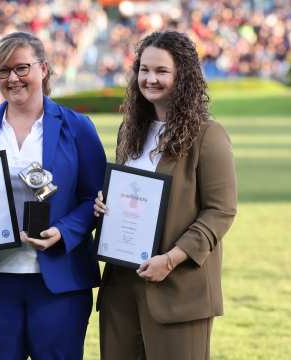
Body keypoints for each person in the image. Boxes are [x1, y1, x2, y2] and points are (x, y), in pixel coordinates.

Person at [0, 32, 106, 359]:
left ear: (43, 69)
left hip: (59, 282)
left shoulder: (77, 127)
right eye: (3, 70)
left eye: (21, 68)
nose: (13, 78)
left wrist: (64, 231)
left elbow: (95, 199)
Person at [94, 31, 237, 360]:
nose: (150, 79)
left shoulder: (208, 136)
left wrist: (171, 259)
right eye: (144, 70)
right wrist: (105, 205)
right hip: (122, 289)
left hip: (178, 291)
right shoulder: (129, 130)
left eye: (161, 71)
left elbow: (221, 211)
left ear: (183, 76)